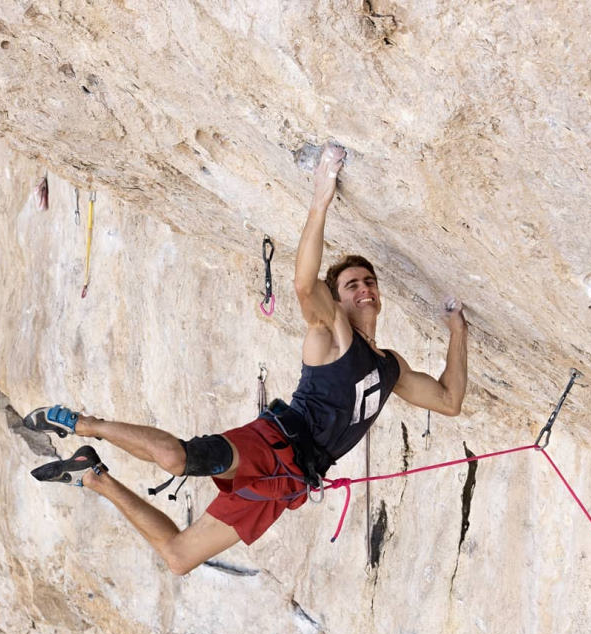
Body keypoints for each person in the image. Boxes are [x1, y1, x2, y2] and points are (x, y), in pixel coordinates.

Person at [25, 143, 468, 575]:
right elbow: (302, 284)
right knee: (178, 460)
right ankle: (83, 424)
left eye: (369, 282)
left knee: (179, 558)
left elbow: (449, 400)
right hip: (271, 444)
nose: (364, 288)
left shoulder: (391, 367)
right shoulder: (332, 332)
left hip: (291, 480)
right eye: (352, 284)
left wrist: (457, 331)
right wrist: (321, 199)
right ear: (336, 300)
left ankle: (92, 475)